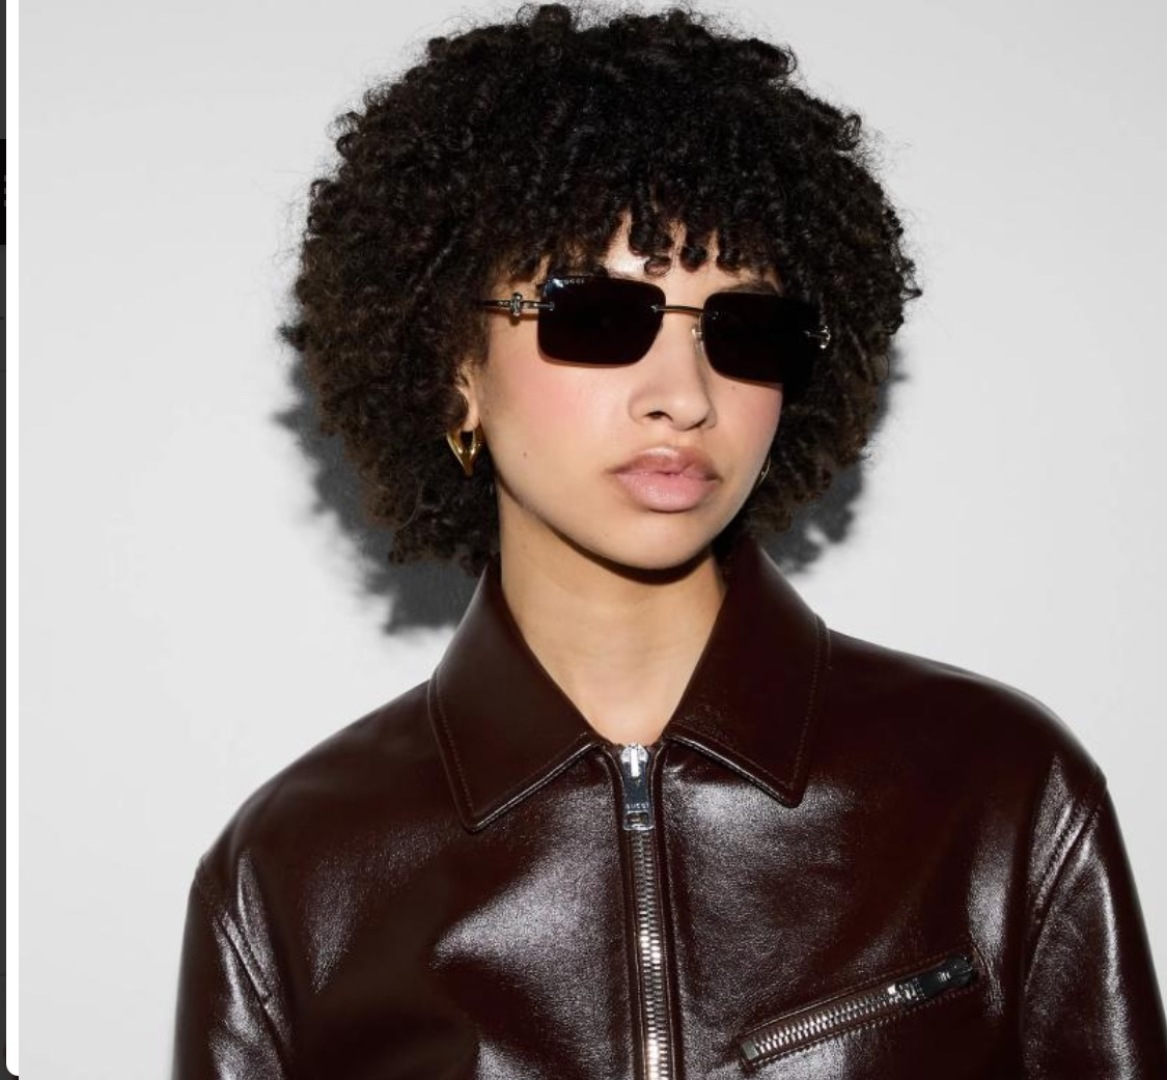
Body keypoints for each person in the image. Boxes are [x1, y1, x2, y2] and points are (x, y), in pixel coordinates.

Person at [171, 4, 1167, 1077]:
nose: (684, 395)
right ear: (454, 371)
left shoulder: (992, 790)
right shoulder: (298, 874)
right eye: (598, 318)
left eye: (743, 331)